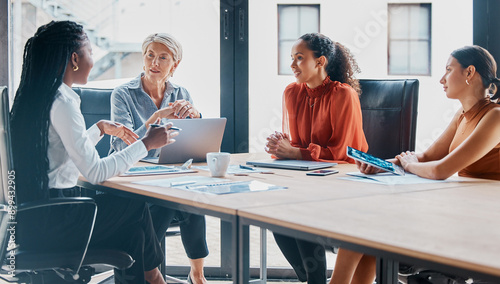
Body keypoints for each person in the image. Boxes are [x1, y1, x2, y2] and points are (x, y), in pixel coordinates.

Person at [10, 21, 178, 284]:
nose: (92, 59)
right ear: (75, 59)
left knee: (133, 235)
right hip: (57, 221)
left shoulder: (44, 96)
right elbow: (95, 172)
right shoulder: (63, 102)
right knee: (133, 202)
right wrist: (146, 143)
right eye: (90, 51)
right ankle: (156, 278)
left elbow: (62, 158)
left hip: (35, 220)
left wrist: (99, 129)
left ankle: (153, 277)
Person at [348, 45, 500, 284]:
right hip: (463, 210)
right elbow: (428, 157)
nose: (442, 78)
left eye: (449, 70)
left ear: (469, 72)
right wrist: (385, 164)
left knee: (378, 227)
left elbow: (441, 170)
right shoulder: (463, 114)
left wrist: (408, 165)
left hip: (483, 223)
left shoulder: (495, 116)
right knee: (370, 227)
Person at [265, 33, 368, 284]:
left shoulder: (343, 95)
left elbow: (343, 152)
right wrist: (281, 144)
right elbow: (297, 144)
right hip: (310, 179)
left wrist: (295, 151)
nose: (292, 65)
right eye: (292, 58)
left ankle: (315, 280)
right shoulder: (292, 92)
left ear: (320, 61)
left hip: (346, 181)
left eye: (299, 58)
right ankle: (311, 278)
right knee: (274, 214)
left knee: (300, 211)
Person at [110, 33, 208, 284]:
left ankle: (197, 275)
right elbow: (123, 144)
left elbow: (192, 143)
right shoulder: (123, 94)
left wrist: (196, 118)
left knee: (192, 200)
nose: (154, 62)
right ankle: (150, 274)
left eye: (163, 57)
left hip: (166, 173)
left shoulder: (181, 92)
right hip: (129, 178)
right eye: (150, 55)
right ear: (143, 60)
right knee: (165, 201)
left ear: (174, 65)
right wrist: (154, 120)